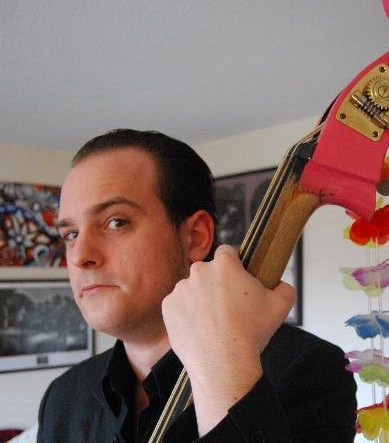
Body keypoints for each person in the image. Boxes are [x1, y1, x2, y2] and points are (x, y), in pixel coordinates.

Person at [37, 129, 357, 442]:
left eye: (116, 222)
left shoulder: (308, 370)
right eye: (71, 235)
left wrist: (226, 377)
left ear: (195, 237)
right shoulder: (63, 398)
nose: (80, 256)